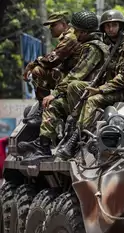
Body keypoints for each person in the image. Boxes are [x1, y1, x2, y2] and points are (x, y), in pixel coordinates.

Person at [19, 10, 109, 161]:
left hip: (87, 95)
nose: (75, 33)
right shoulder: (84, 45)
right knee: (51, 106)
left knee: (66, 89)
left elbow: (77, 74)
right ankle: (43, 145)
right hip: (76, 95)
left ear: (85, 32)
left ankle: (71, 132)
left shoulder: (94, 48)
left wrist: (54, 93)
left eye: (78, 31)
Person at [57, 9, 124, 159]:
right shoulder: (105, 44)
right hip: (108, 88)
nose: (110, 29)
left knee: (93, 99)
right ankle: (75, 126)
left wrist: (100, 90)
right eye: (107, 26)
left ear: (121, 26)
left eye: (114, 25)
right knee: (75, 86)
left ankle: (76, 139)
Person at [22, 11, 82, 126]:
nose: (51, 28)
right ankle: (42, 107)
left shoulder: (70, 37)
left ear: (64, 24)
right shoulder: (67, 36)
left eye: (54, 25)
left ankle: (43, 110)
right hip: (69, 75)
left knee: (38, 71)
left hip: (75, 77)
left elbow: (52, 60)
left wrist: (32, 64)